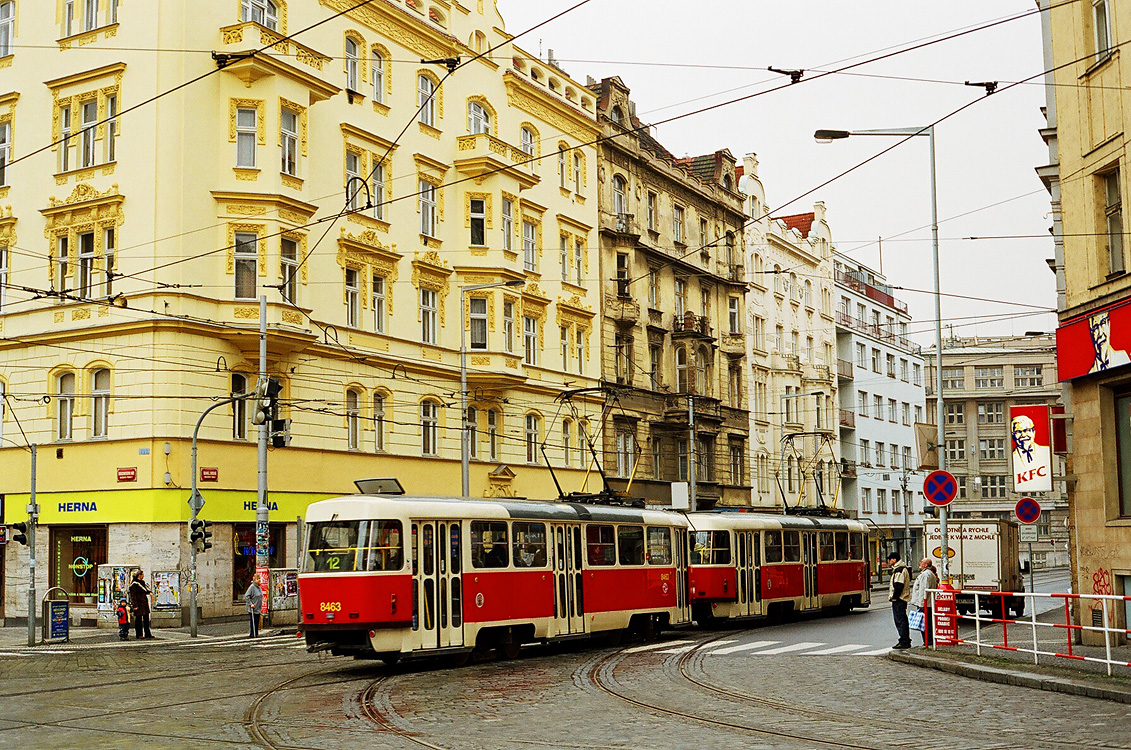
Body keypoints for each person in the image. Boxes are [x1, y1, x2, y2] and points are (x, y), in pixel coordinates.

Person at [909, 558, 939, 647]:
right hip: (928, 603)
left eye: (921, 562)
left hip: (926, 604)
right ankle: (928, 641)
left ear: (926, 565)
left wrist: (922, 604)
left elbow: (923, 590)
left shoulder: (926, 575)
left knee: (925, 624)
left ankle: (928, 641)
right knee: (927, 623)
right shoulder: (929, 574)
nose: (920, 563)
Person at [884, 552, 912, 649]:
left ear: (894, 560)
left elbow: (899, 585)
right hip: (901, 599)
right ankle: (904, 640)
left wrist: (894, 597)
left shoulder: (899, 570)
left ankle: (904, 641)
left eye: (890, 559)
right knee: (901, 619)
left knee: (900, 620)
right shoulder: (899, 569)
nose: (888, 561)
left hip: (899, 600)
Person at [128, 569, 153, 639]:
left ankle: (147, 633)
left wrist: (149, 592)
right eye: (142, 575)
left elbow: (145, 590)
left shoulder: (142, 582)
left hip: (144, 603)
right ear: (140, 575)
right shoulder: (134, 584)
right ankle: (139, 634)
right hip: (138, 604)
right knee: (138, 620)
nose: (143, 576)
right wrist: (135, 605)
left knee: (146, 619)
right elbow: (133, 595)